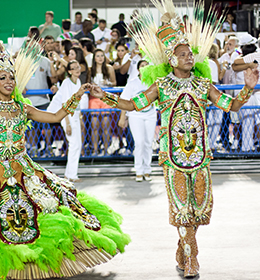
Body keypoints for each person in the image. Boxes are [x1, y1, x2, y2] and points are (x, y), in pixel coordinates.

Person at [0, 38, 130, 280]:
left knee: (45, 208)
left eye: (11, 77)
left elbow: (55, 116)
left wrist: (77, 94)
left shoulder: (23, 108)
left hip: (24, 169)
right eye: (3, 78)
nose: (8, 82)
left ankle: (27, 263)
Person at [90, 3, 258, 278]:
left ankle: (182, 248)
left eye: (190, 53)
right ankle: (192, 258)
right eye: (182, 54)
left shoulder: (204, 85)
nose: (189, 56)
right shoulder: (162, 86)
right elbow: (133, 104)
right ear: (171, 59)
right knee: (182, 209)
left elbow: (232, 106)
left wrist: (248, 89)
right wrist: (105, 95)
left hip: (201, 158)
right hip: (173, 157)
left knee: (200, 208)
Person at [47, 60, 89, 182]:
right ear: (69, 71)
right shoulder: (66, 83)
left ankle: (70, 174)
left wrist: (80, 119)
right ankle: (71, 175)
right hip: (65, 115)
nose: (77, 69)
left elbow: (78, 102)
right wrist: (67, 123)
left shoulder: (79, 82)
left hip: (75, 114)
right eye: (74, 68)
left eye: (78, 67)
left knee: (77, 145)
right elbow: (64, 104)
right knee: (74, 144)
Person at [118, 60, 157, 181]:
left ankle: (147, 169)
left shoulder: (153, 82)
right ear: (138, 69)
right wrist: (122, 117)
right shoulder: (132, 83)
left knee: (148, 143)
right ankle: (138, 170)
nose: (144, 68)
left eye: (147, 66)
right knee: (139, 142)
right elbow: (124, 100)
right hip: (135, 116)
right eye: (142, 66)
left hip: (150, 115)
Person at [231, 34, 260, 152]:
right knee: (252, 121)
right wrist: (249, 64)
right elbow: (234, 66)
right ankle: (250, 146)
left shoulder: (252, 56)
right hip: (251, 93)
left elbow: (234, 65)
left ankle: (247, 147)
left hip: (249, 93)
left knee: (248, 121)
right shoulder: (254, 56)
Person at [87, 49, 116, 156]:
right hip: (93, 98)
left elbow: (114, 83)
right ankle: (95, 150)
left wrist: (107, 83)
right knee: (94, 125)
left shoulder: (109, 68)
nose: (100, 58)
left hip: (105, 97)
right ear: (94, 58)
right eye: (98, 56)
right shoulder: (91, 70)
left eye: (102, 56)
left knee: (105, 124)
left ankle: (106, 149)